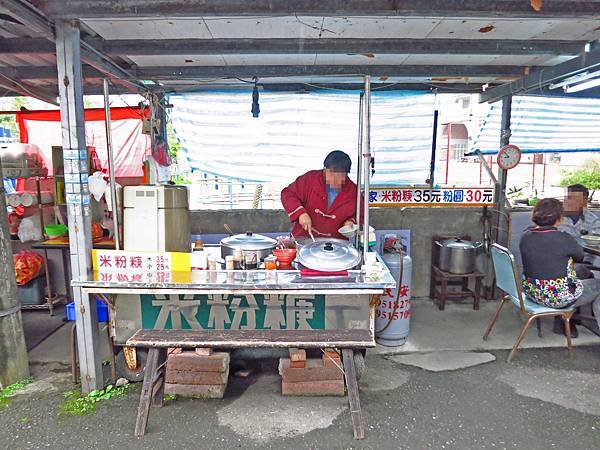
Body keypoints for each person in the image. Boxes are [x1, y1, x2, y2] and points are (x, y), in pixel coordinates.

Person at [520, 198, 600, 338]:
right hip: (557, 298)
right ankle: (570, 319)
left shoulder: (525, 236)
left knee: (582, 271)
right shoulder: (563, 238)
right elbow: (579, 256)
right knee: (597, 284)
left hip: (532, 292)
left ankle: (568, 320)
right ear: (559, 219)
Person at [281, 150, 359, 240]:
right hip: (304, 239)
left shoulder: (353, 191)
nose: (333, 179)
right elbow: (287, 194)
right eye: (330, 174)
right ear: (325, 169)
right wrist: (301, 214)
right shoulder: (310, 179)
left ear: (346, 174)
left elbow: (360, 215)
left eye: (339, 176)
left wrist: (350, 222)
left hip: (336, 244)